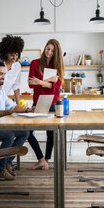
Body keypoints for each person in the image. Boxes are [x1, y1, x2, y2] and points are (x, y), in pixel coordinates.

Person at [28, 39, 64, 170]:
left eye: (52, 50)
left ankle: (47, 160)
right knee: (27, 132)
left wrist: (40, 81)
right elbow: (31, 83)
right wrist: (49, 81)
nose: (49, 52)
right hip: (38, 101)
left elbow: (56, 87)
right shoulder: (35, 63)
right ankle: (41, 159)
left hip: (53, 102)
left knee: (51, 133)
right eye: (47, 48)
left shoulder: (58, 66)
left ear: (56, 53)